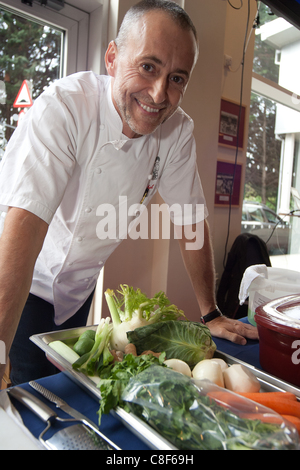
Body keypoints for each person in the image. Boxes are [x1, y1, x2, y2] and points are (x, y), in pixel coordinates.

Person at [0, 0, 258, 386]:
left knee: (61, 393)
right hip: (15, 280)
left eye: (177, 78)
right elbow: (27, 223)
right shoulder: (66, 108)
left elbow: (189, 221)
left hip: (77, 293)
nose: (158, 94)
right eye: (148, 67)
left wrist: (210, 313)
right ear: (112, 58)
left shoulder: (176, 132)